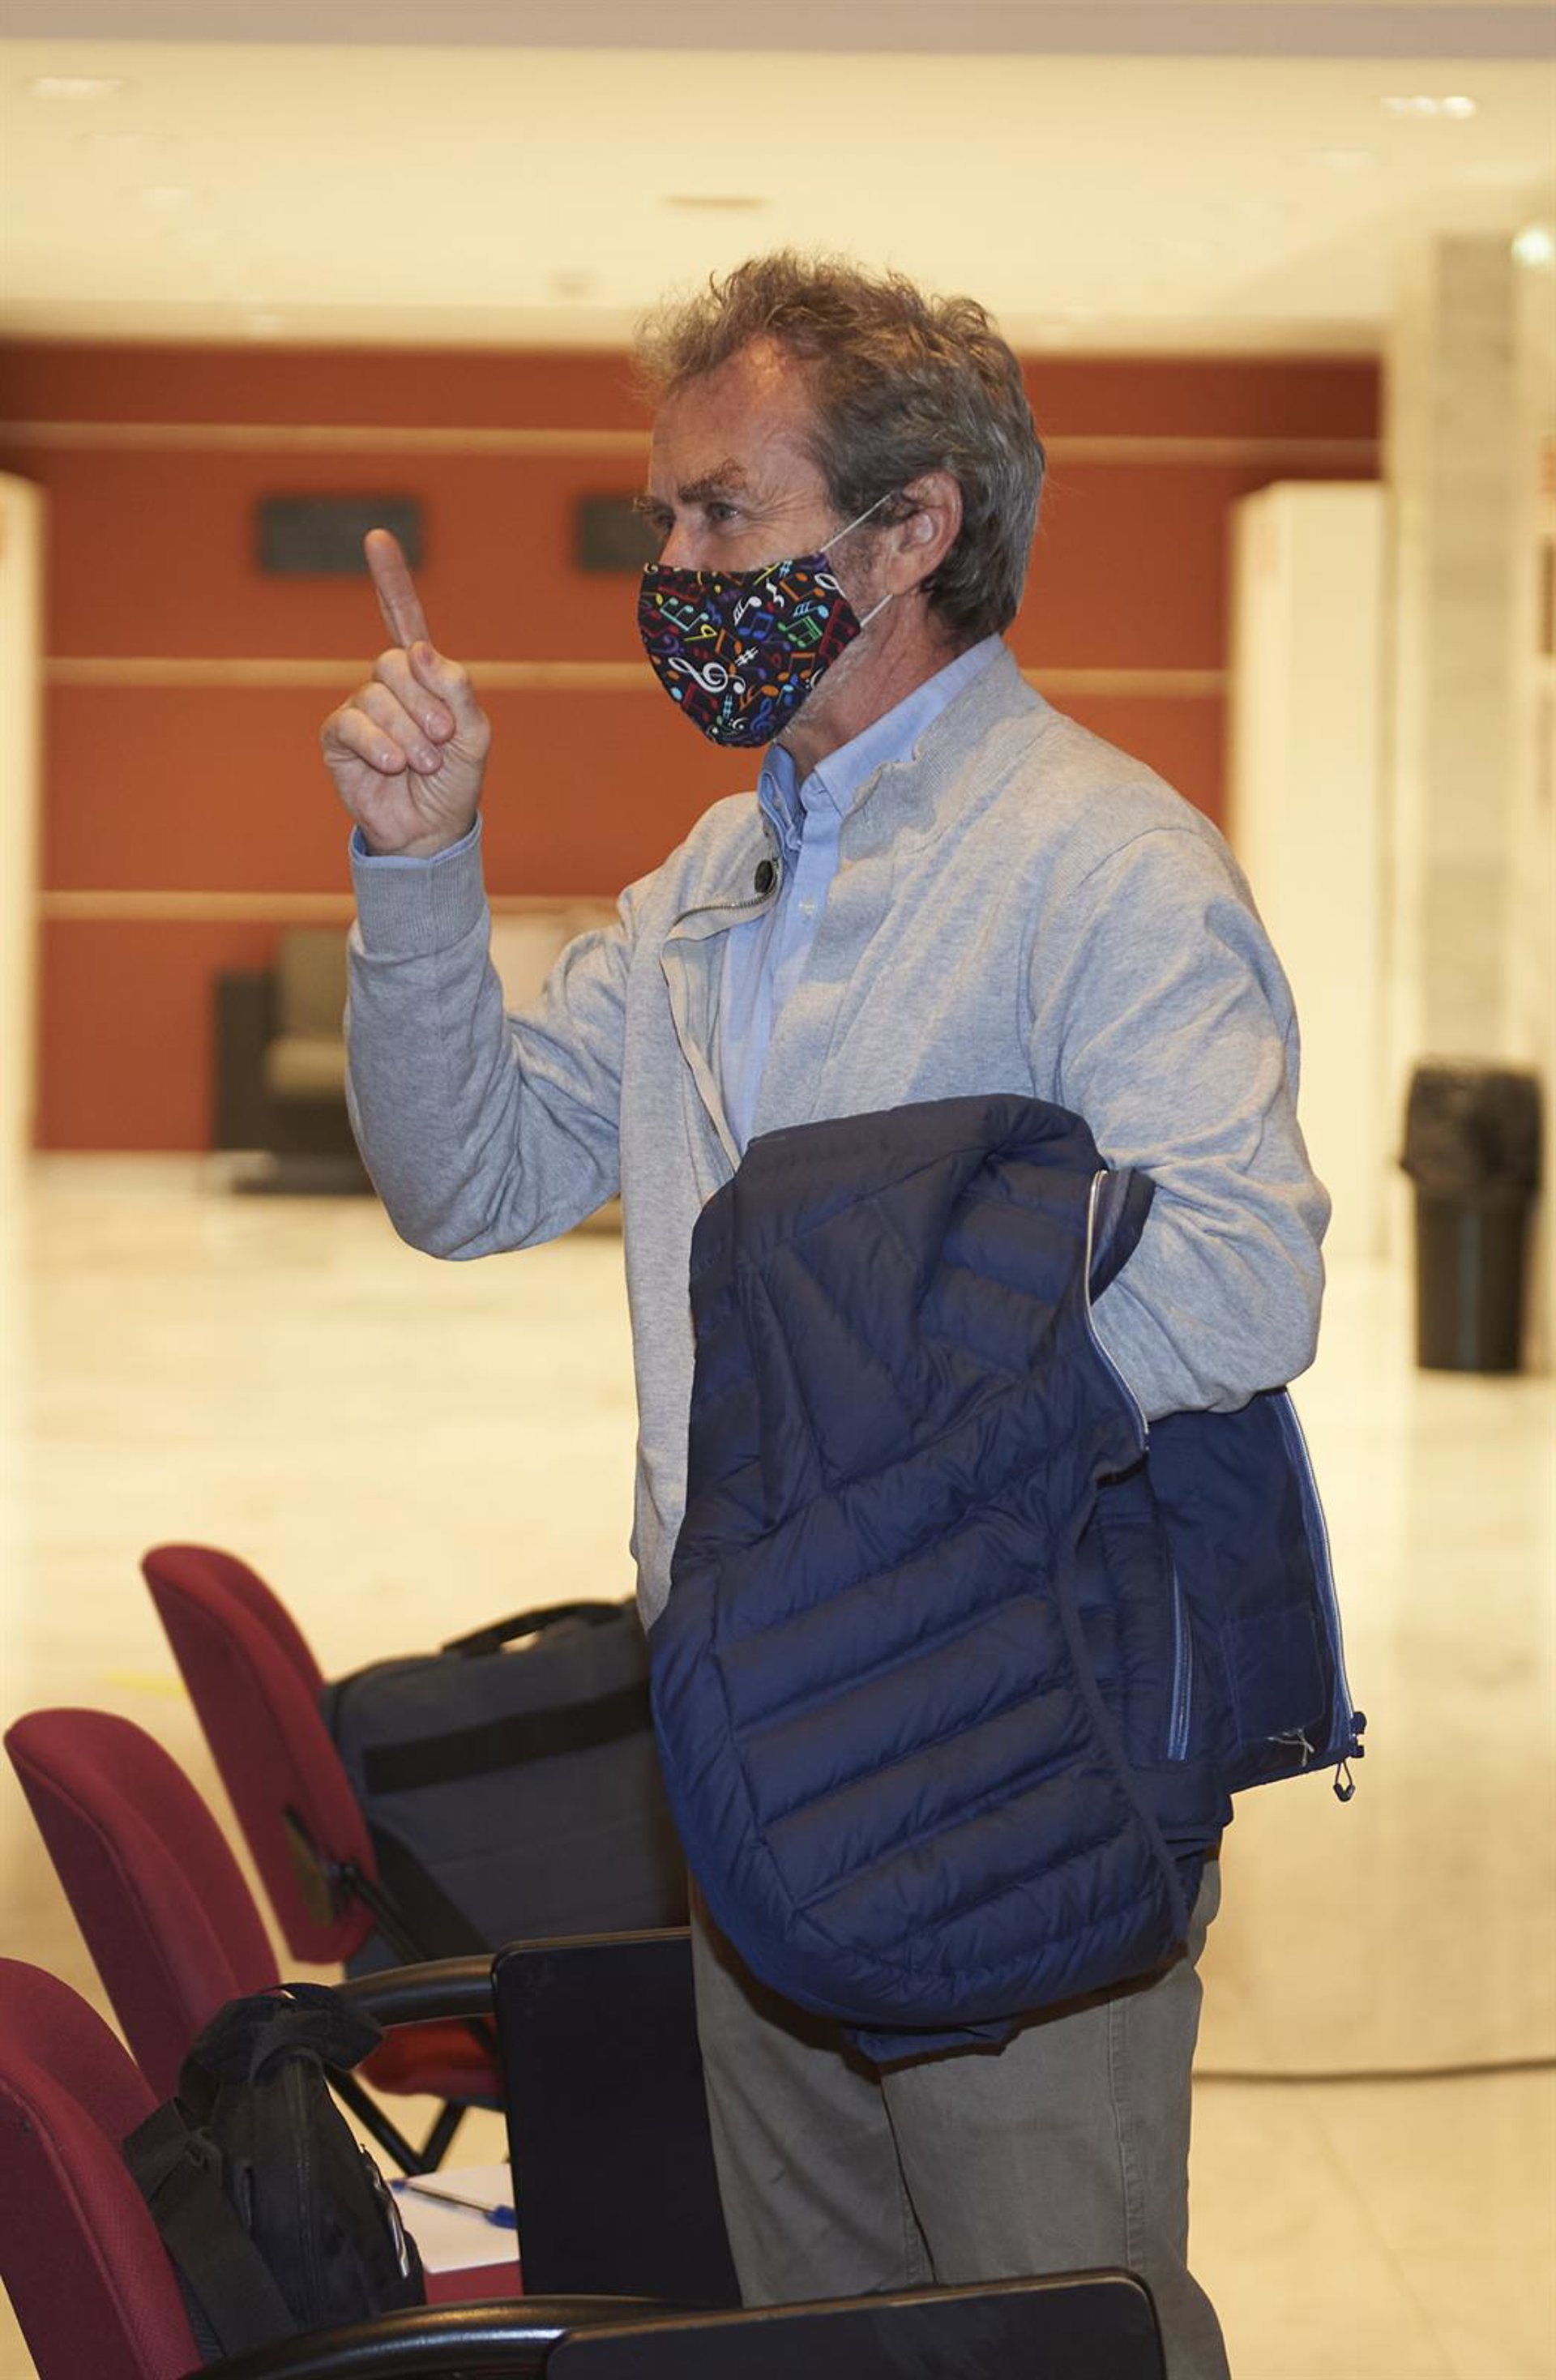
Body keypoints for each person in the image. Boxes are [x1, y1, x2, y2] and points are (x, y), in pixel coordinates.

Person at [323, 254, 1329, 2380]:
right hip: (748, 1764)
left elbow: (1242, 1273)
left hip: (1004, 1756)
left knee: (1050, 2333)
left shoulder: (1104, 869)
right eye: (664, 519)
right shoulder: (712, 881)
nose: (673, 567)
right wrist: (418, 866)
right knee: (827, 2346)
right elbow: (469, 1177)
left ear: (910, 530)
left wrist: (901, 1495)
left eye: (722, 512)